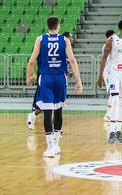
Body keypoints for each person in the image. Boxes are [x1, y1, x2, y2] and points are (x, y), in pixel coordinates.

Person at [26, 16, 83, 157]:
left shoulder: (40, 39)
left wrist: (29, 76)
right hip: (60, 78)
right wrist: (78, 80)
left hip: (46, 78)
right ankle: (56, 145)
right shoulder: (65, 40)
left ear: (47, 26)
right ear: (58, 26)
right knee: (58, 111)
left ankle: (50, 146)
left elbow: (32, 61)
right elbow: (73, 61)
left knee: (47, 112)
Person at [97, 20, 122, 144]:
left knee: (121, 102)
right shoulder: (112, 40)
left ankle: (118, 130)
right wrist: (100, 76)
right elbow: (104, 58)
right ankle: (111, 131)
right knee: (114, 100)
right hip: (114, 72)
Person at [101, 29, 115, 122]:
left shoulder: (112, 44)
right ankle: (108, 114)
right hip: (109, 72)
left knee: (114, 93)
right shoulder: (108, 45)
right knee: (113, 92)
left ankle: (111, 113)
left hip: (112, 72)